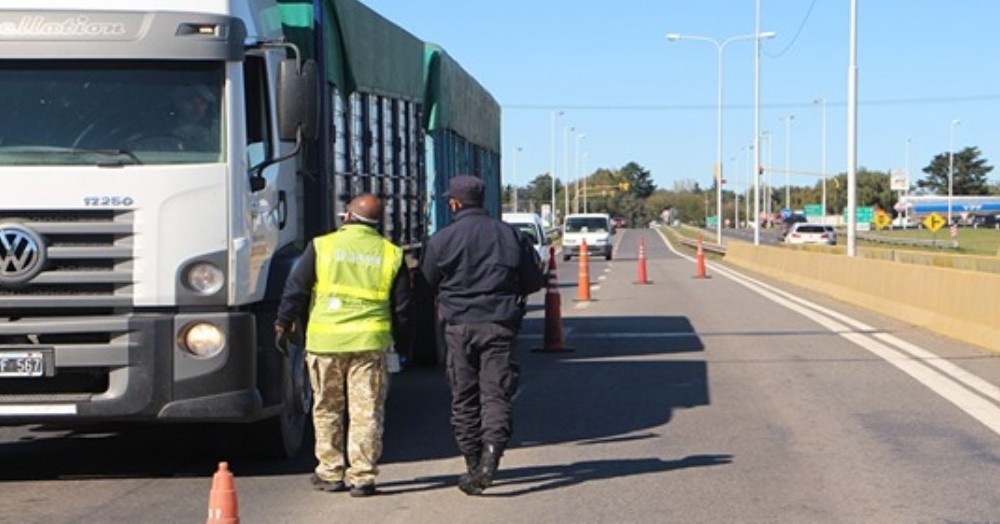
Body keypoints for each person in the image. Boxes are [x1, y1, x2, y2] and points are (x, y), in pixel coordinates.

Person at [275, 193, 412, 498]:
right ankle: (362, 477)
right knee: (366, 412)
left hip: (326, 342)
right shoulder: (391, 254)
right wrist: (401, 346)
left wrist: (282, 323)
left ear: (347, 217)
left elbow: (295, 289)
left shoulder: (322, 246)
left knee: (327, 408)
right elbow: (402, 308)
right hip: (369, 344)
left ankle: (330, 472)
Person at [419, 175, 545, 496]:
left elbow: (427, 281)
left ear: (454, 203)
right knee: (496, 395)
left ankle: (473, 463)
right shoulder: (511, 236)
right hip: (499, 325)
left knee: (464, 397)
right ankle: (491, 459)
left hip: (458, 327)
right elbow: (533, 281)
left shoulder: (441, 240)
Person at [167, 84, 219, 150]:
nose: (197, 108)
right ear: (176, 104)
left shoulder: (218, 132)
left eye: (202, 103)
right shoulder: (161, 132)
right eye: (190, 101)